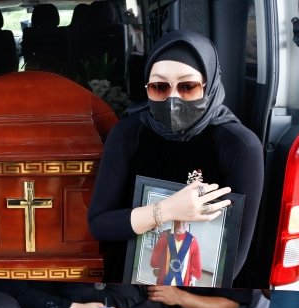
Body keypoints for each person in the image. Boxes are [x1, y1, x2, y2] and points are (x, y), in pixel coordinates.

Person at [87, 31, 263, 285]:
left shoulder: (239, 146)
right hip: (128, 279)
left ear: (209, 84)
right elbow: (100, 224)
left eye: (188, 87)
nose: (173, 98)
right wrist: (168, 210)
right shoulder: (128, 133)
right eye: (160, 87)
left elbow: (232, 257)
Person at [150, 221, 202, 286]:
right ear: (173, 220)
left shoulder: (192, 241)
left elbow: (195, 260)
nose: (180, 224)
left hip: (183, 278)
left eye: (184, 221)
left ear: (188, 222)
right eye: (178, 220)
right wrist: (156, 267)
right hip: (164, 275)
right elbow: (158, 251)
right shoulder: (165, 235)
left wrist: (193, 278)